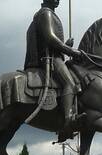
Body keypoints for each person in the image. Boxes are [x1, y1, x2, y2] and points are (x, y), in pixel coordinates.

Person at [24, 0, 84, 139]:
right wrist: (71, 51)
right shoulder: (46, 13)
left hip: (54, 56)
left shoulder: (47, 14)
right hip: (51, 59)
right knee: (69, 83)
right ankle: (68, 120)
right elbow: (50, 38)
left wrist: (64, 45)